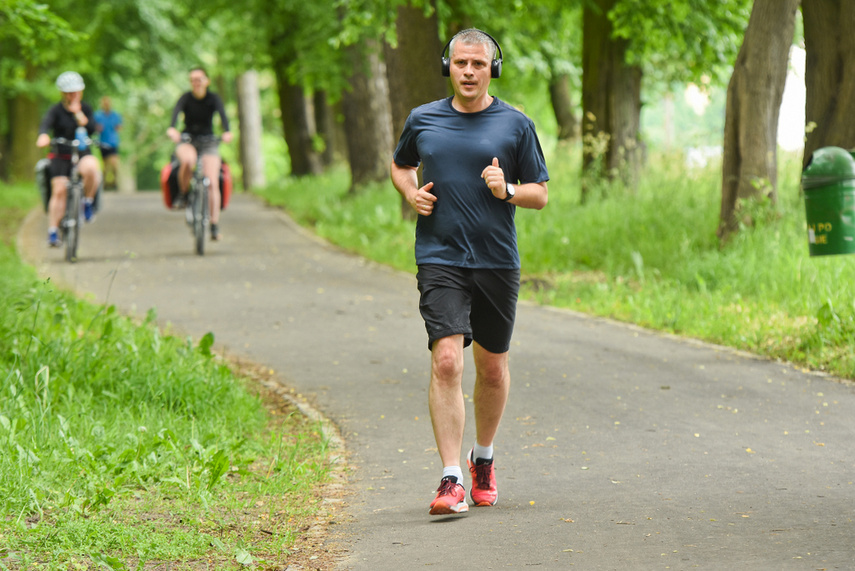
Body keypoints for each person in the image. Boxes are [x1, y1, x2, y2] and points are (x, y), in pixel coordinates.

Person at [390, 28, 549, 516]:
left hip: (497, 260)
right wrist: (410, 192)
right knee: (445, 362)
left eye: (479, 64)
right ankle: (451, 477)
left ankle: (483, 458)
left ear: (492, 69)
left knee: (493, 367)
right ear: (449, 66)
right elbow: (400, 166)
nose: (469, 72)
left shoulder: (516, 124)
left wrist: (507, 191)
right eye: (461, 63)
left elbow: (539, 193)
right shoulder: (423, 119)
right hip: (439, 257)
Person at [36, 71, 102, 247]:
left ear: (81, 91)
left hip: (81, 154)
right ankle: (52, 231)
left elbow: (92, 129)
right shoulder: (55, 110)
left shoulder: (86, 108)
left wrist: (78, 113)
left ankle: (87, 202)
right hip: (61, 155)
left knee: (92, 169)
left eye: (76, 91)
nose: (72, 95)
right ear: (62, 93)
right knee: (59, 190)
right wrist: (43, 136)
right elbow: (45, 125)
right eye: (69, 92)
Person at [166, 66, 232, 241]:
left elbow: (223, 116)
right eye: (193, 80)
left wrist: (227, 132)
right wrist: (172, 129)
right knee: (187, 161)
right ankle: (184, 193)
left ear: (207, 81)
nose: (196, 83)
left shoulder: (214, 98)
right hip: (188, 140)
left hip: (209, 141)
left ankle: (214, 225)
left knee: (212, 182)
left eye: (199, 79)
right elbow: (176, 113)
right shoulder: (186, 98)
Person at [93, 96, 123, 190]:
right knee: (105, 165)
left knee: (114, 163)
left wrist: (117, 127)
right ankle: (105, 184)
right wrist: (97, 128)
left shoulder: (115, 115)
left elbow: (119, 127)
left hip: (113, 142)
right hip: (103, 143)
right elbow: (94, 128)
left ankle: (115, 182)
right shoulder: (97, 116)